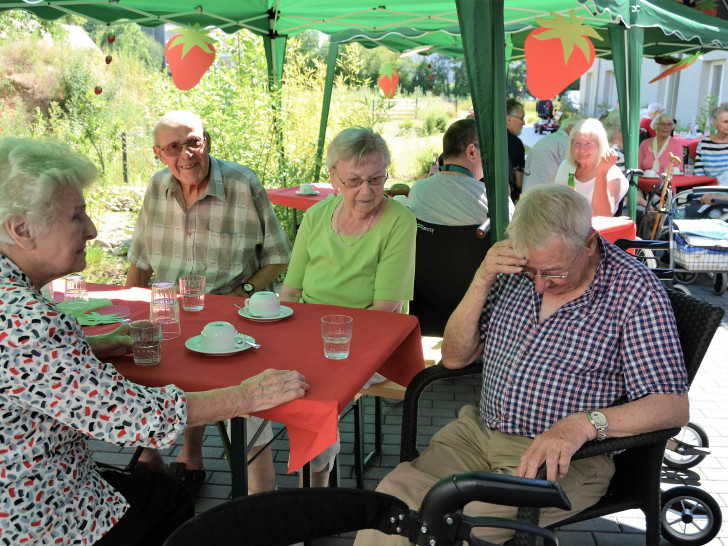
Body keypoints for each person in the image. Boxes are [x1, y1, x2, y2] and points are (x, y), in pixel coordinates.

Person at [0, 137, 308, 546]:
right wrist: (248, 394)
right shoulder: (30, 321)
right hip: (38, 518)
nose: (91, 229)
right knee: (170, 498)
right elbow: (132, 418)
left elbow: (16, 365)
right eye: (77, 216)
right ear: (20, 229)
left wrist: (89, 347)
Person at [354, 184, 689, 546]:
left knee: (450, 526)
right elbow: (454, 357)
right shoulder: (515, 268)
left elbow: (671, 406)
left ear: (589, 242)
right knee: (391, 509)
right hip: (477, 434)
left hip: (559, 458)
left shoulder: (635, 292)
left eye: (554, 272)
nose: (541, 285)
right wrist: (482, 278)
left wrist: (585, 424)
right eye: (533, 274)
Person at [126, 110, 292, 495]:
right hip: (168, 306)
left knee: (199, 359)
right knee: (144, 352)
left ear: (208, 142)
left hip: (225, 314)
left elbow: (279, 256)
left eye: (193, 142)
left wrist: (242, 294)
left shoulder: (241, 183)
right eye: (173, 147)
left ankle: (192, 452)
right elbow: (139, 260)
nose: (186, 155)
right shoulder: (156, 187)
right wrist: (132, 311)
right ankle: (149, 448)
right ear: (159, 154)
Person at [279, 126, 416, 487]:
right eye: (354, 180)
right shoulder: (315, 217)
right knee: (256, 388)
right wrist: (286, 340)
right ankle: (257, 495)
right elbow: (290, 293)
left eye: (376, 178)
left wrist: (324, 346)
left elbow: (384, 309)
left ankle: (317, 495)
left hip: (371, 345)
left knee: (315, 392)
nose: (367, 191)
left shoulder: (399, 221)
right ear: (333, 178)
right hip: (308, 336)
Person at [407, 118, 496, 226]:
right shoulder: (492, 201)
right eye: (486, 151)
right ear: (471, 152)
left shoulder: (417, 190)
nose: (489, 158)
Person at [552, 118, 629, 216]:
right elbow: (551, 199)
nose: (581, 149)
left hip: (591, 230)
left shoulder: (612, 174)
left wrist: (601, 172)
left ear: (600, 145)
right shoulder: (566, 166)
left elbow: (603, 216)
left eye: (588, 143)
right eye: (577, 143)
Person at [522, 115, 582, 191]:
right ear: (570, 129)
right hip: (546, 196)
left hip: (529, 194)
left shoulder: (549, 139)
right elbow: (570, 177)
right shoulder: (566, 143)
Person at [695, 102, 728, 185]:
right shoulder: (704, 143)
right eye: (725, 122)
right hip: (707, 189)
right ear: (715, 124)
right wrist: (706, 191)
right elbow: (698, 173)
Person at [506, 98, 527, 201]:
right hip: (509, 201)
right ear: (508, 119)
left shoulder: (489, 139)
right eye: (522, 118)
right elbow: (519, 184)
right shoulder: (516, 144)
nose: (524, 123)